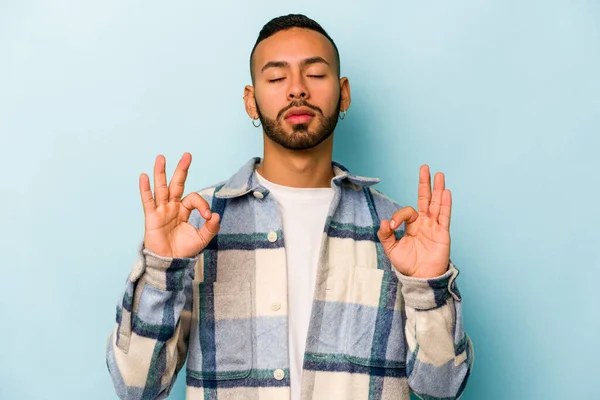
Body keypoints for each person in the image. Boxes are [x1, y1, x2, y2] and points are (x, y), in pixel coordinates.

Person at [106, 14, 473, 400]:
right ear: (251, 101)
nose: (297, 89)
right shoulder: (196, 226)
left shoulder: (396, 233)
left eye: (315, 74)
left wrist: (428, 288)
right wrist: (162, 269)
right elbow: (136, 387)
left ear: (343, 92)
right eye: (277, 78)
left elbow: (442, 388)